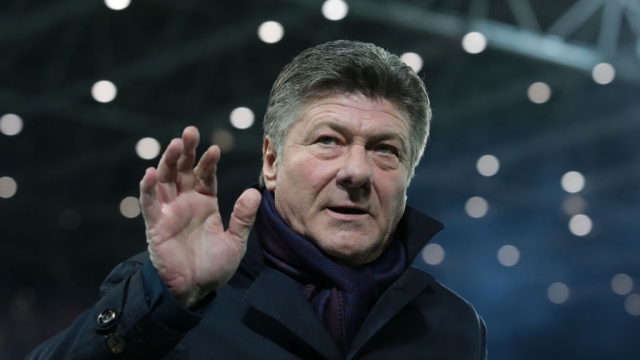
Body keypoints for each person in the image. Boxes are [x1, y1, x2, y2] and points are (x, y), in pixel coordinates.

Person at [28, 40, 487, 359]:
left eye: (386, 150)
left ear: (409, 172)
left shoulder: (452, 326)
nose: (356, 172)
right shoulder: (175, 296)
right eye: (329, 140)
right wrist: (160, 303)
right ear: (271, 160)